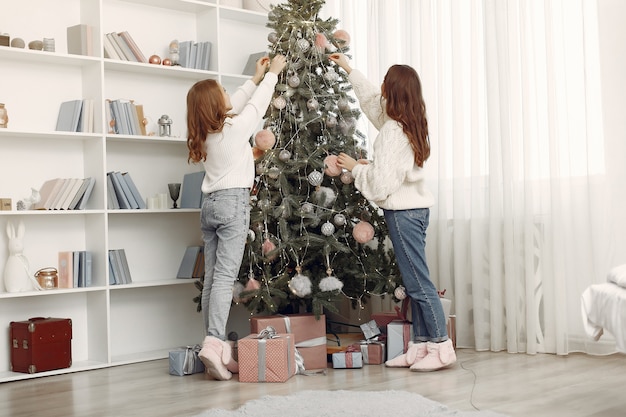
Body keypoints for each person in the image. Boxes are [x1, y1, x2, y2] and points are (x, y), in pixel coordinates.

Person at [330, 53, 456, 372]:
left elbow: (381, 185)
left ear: (393, 91)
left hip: (403, 213)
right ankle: (421, 346)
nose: (381, 86)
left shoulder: (391, 133)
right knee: (415, 281)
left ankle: (442, 346)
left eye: (386, 81)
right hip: (416, 210)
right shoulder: (407, 122)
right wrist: (349, 68)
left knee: (418, 283)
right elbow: (373, 101)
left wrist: (356, 168)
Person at [186, 54, 287, 380]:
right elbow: (255, 107)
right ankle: (215, 343)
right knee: (225, 279)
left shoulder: (207, 133)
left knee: (214, 278)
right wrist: (271, 75)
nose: (230, 96)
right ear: (217, 105)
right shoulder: (233, 129)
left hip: (210, 206)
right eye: (223, 93)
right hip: (232, 205)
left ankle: (211, 345)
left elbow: (238, 103)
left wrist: (254, 77)